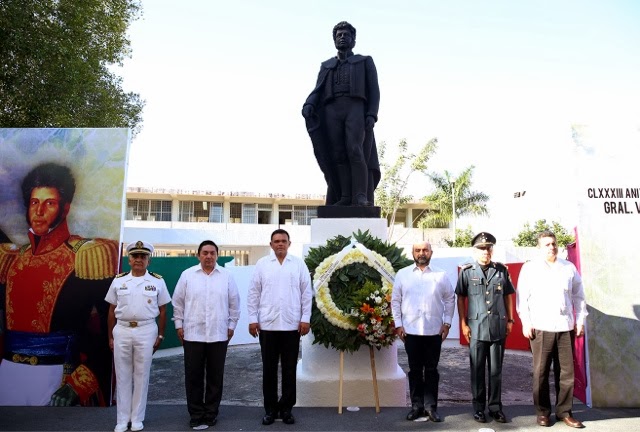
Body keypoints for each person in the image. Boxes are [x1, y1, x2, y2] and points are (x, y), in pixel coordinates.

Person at [0, 162, 118, 406]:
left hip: (58, 379)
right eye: (34, 202)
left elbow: (110, 328)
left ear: (65, 208)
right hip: (7, 374)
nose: (39, 211)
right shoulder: (9, 260)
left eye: (49, 203)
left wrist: (81, 383)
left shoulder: (87, 256)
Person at [302, 21, 381, 206]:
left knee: (355, 150)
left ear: (353, 40)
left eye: (346, 35)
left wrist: (372, 114)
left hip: (355, 108)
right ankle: (345, 196)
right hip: (332, 110)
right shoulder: (327, 66)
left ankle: (360, 195)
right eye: (339, 35)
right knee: (338, 153)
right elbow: (318, 90)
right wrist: (309, 104)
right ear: (334, 40)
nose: (342, 37)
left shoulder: (364, 61)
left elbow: (374, 90)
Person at [516, 230, 587, 429]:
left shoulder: (568, 267)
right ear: (539, 247)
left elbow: (579, 297)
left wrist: (580, 321)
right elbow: (523, 299)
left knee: (566, 372)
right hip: (540, 327)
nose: (551, 247)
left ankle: (564, 411)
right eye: (547, 244)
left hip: (565, 327)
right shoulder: (530, 268)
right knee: (541, 372)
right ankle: (543, 412)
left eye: (553, 243)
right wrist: (526, 322)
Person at [172, 240, 240, 430]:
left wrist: (232, 325)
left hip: (218, 335)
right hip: (193, 334)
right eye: (205, 253)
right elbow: (178, 303)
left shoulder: (226, 276)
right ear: (198, 255)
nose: (209, 256)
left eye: (212, 253)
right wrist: (179, 325)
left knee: (215, 377)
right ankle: (195, 414)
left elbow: (234, 304)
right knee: (193, 377)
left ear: (217, 255)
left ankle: (211, 413)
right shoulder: (187, 276)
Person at [247, 229, 312, 425]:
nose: (280, 244)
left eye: (283, 241)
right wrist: (252, 319)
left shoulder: (298, 264)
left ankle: (286, 409)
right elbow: (253, 293)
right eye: (276, 241)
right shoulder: (262, 265)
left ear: (289, 244)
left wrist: (305, 318)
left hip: (292, 326)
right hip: (267, 325)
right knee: (269, 370)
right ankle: (270, 410)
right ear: (271, 244)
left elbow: (306, 293)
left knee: (289, 370)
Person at [105, 240, 170, 432]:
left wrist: (160, 336)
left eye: (143, 256)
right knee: (123, 375)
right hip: (122, 330)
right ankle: (122, 419)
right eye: (135, 256)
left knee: (142, 375)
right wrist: (110, 336)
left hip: (146, 329)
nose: (139, 260)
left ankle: (137, 418)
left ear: (148, 260)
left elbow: (164, 310)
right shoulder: (119, 280)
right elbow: (111, 310)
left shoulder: (157, 281)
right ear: (129, 259)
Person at [391, 242, 455, 422]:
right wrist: (398, 324)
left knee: (432, 370)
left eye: (425, 250)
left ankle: (431, 407)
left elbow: (450, 299)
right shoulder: (403, 274)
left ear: (431, 252)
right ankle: (416, 406)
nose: (422, 253)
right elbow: (395, 301)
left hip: (434, 331)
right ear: (412, 253)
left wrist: (447, 323)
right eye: (418, 250)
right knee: (415, 370)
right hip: (410, 331)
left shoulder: (441, 275)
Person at [455, 232, 515, 424]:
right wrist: (463, 323)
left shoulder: (501, 271)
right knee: (477, 370)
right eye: (481, 249)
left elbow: (508, 296)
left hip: (498, 327)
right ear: (475, 251)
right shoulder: (467, 272)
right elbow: (461, 298)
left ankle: (495, 407)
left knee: (496, 371)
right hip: (476, 327)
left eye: (488, 248)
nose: (485, 252)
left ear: (492, 250)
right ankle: (479, 408)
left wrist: (511, 320)